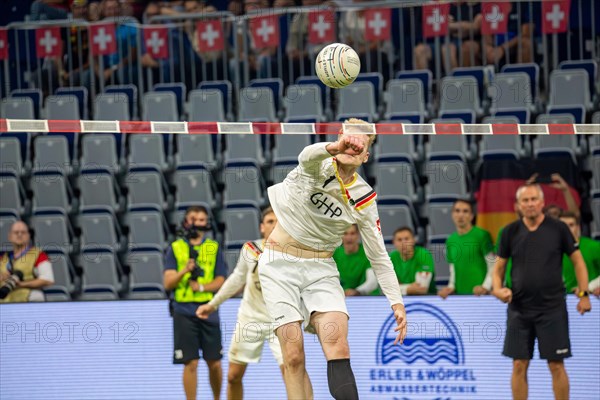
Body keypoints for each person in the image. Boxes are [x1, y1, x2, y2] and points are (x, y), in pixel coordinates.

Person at [257, 118, 407, 400]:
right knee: (293, 355)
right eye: (348, 140)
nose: (352, 147)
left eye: (359, 145)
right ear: (339, 139)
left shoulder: (364, 198)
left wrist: (396, 301)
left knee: (338, 345)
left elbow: (378, 255)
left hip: (321, 270)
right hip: (278, 265)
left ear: (366, 156)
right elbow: (306, 155)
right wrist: (334, 147)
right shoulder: (316, 166)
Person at [196, 207, 314, 400]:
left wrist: (311, 317)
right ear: (261, 227)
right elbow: (237, 279)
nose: (274, 225)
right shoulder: (250, 249)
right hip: (250, 319)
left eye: (278, 221)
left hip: (282, 320)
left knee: (292, 368)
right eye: (269, 221)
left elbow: (305, 287)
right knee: (234, 376)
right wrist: (213, 304)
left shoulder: (295, 252)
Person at [492, 184, 592, 400]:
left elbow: (578, 262)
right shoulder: (509, 232)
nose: (529, 204)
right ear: (518, 205)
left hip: (552, 309)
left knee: (556, 365)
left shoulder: (559, 228)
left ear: (542, 202)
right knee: (519, 364)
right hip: (519, 309)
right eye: (525, 200)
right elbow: (498, 268)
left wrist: (584, 295)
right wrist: (498, 289)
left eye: (533, 199)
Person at [163, 205, 227, 400]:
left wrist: (200, 288)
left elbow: (221, 281)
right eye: (193, 219)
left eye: (201, 219)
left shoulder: (212, 247)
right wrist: (184, 270)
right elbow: (167, 282)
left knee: (214, 361)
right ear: (186, 222)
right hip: (183, 310)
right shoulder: (176, 248)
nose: (197, 223)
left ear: (206, 223)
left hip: (208, 309)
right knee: (190, 362)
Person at [438, 199, 495, 298]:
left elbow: (493, 264)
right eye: (457, 211)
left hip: (481, 296)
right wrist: (451, 286)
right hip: (460, 296)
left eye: (465, 211)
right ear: (452, 214)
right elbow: (453, 269)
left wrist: (485, 287)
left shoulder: (482, 235)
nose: (461, 215)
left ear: (472, 216)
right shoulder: (450, 240)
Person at [0, 221, 54, 303]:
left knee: (37, 296)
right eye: (16, 232)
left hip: (27, 298)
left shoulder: (39, 255)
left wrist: (21, 284)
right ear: (10, 236)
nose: (19, 235)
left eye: (23, 232)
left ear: (29, 236)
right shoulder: (2, 257)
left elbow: (48, 280)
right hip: (4, 300)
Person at [559, 211, 600, 296]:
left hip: (592, 298)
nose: (567, 229)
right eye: (563, 226)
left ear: (578, 227)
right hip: (560, 300)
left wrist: (588, 287)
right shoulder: (552, 249)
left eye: (571, 225)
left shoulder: (594, 246)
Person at [332, 224, 378, 296]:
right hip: (343, 298)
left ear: (358, 235)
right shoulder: (335, 254)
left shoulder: (368, 253)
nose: (349, 238)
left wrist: (356, 291)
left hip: (368, 298)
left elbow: (372, 282)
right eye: (345, 233)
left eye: (352, 233)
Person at [389, 227, 436, 295]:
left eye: (407, 239)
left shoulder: (424, 255)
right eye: (399, 240)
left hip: (426, 299)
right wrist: (408, 289)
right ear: (394, 242)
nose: (403, 243)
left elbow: (421, 288)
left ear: (414, 240)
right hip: (401, 300)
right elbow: (388, 288)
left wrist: (399, 289)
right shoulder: (391, 257)